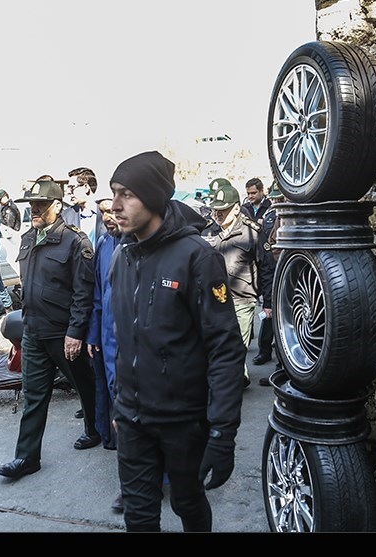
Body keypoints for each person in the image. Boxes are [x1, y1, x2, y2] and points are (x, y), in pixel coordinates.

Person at [108, 150, 245, 532]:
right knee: (138, 514)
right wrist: (120, 402)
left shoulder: (196, 257)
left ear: (153, 197)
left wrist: (222, 432)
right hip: (133, 419)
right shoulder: (121, 257)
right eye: (114, 192)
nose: (115, 205)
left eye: (127, 194)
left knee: (188, 502)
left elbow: (225, 348)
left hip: (183, 420)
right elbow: (123, 338)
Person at [0, 175, 100, 481]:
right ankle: (27, 458)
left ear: (57, 205)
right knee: (34, 395)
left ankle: (95, 428)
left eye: (40, 205)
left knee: (85, 384)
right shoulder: (28, 238)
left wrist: (75, 332)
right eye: (31, 205)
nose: (34, 210)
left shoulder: (75, 241)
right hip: (34, 331)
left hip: (62, 332)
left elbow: (84, 292)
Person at [85, 187, 124, 512]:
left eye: (112, 211)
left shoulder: (140, 245)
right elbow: (98, 297)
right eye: (103, 213)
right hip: (108, 345)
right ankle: (134, 483)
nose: (108, 218)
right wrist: (92, 336)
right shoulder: (103, 245)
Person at [201, 178, 261, 388]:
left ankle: (232, 383)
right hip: (213, 300)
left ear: (236, 209)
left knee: (236, 347)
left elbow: (266, 267)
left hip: (241, 300)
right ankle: (236, 376)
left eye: (223, 210)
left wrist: (269, 301)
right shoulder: (207, 232)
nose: (218, 214)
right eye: (215, 210)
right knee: (218, 346)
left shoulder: (252, 232)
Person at [257, 181, 286, 386]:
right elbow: (268, 249)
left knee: (287, 327)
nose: (277, 201)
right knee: (273, 320)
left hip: (293, 278)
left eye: (280, 198)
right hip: (275, 274)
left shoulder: (294, 217)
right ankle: (274, 362)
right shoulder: (270, 217)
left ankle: (283, 369)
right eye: (275, 198)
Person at [63, 166, 100, 243]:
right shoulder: (65, 216)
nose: (68, 192)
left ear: (86, 187)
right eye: (68, 188)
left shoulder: (106, 214)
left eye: (72, 187)